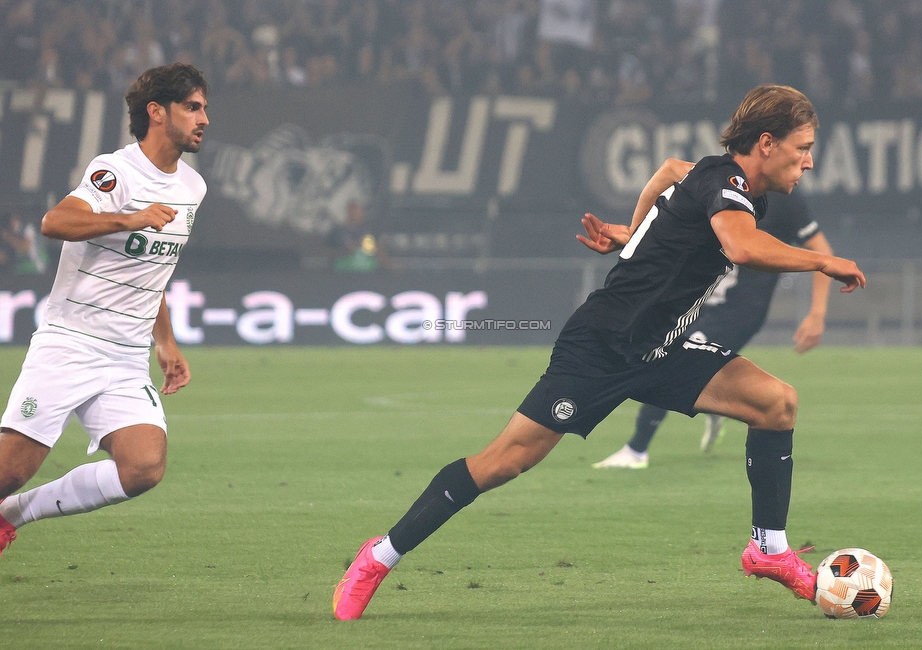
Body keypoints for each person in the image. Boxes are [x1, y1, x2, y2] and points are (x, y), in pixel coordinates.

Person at [332, 85, 866, 620]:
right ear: (767, 143)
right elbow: (742, 247)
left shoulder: (722, 180)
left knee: (777, 403)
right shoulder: (725, 183)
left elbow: (668, 170)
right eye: (803, 148)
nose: (810, 161)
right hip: (603, 347)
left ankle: (768, 550)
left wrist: (635, 234)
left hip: (663, 348)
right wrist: (823, 261)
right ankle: (378, 557)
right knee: (504, 462)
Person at [0, 63, 209, 559]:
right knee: (8, 470)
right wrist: (130, 217)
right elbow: (56, 221)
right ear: (157, 113)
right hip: (69, 343)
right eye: (193, 108)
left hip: (125, 357)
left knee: (143, 467)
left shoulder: (191, 188)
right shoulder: (116, 170)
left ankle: (13, 515)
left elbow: (152, 270)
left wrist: (166, 341)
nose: (205, 119)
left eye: (205, 108)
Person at [592, 190, 833, 469]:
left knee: (668, 359)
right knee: (655, 350)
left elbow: (821, 251)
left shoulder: (785, 200)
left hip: (739, 312)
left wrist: (817, 314)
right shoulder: (720, 186)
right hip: (699, 300)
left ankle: (636, 450)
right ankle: (720, 400)